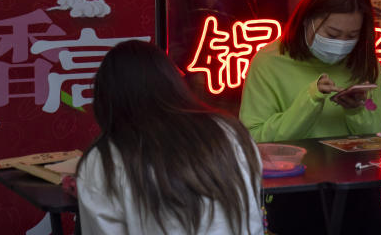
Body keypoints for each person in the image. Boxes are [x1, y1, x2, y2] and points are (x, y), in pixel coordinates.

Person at [240, 0, 381, 235]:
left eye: (352, 36)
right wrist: (310, 99)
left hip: (358, 193)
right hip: (293, 195)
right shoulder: (269, 62)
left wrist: (357, 110)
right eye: (332, 33)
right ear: (307, 19)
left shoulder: (363, 62)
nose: (341, 44)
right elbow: (255, 141)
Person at [76, 40, 264, 235]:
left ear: (106, 100)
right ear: (174, 81)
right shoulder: (231, 132)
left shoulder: (103, 161)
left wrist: (92, 185)